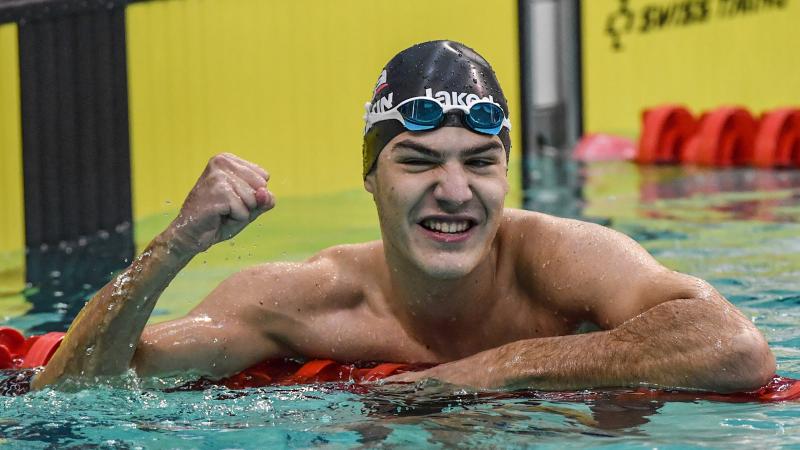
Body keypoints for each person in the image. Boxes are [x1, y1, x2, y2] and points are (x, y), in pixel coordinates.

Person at [32, 40, 775, 392]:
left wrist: (487, 372)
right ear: (370, 177)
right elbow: (80, 390)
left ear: (508, 173)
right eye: (418, 161)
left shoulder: (561, 260)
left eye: (480, 161)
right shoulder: (307, 298)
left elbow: (736, 348)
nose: (454, 189)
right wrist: (175, 247)